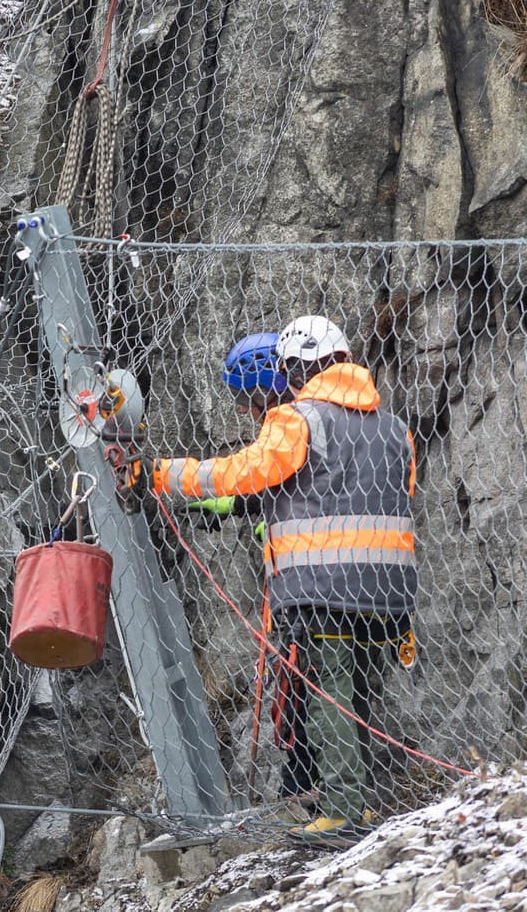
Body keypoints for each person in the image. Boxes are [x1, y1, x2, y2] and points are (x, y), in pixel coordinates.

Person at [116, 316, 417, 844]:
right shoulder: (394, 429)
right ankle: (356, 806)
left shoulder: (297, 420)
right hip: (390, 591)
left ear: (295, 369)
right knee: (361, 700)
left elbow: (240, 474)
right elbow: (389, 493)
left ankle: (343, 811)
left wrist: (161, 474)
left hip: (323, 588)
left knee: (330, 702)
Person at [185, 332, 317, 806]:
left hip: (307, 579)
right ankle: (304, 786)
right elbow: (261, 488)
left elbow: (263, 482)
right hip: (298, 578)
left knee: (301, 690)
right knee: (297, 686)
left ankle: (307, 788)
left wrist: (209, 494)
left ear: (264, 386)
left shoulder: (293, 423)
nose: (242, 410)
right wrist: (219, 506)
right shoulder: (298, 422)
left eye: (245, 398)